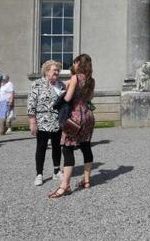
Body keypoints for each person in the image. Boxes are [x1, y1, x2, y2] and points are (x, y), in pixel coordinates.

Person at [49, 54, 96, 198]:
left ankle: (65, 185)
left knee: (68, 148)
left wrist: (67, 87)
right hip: (88, 115)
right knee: (86, 146)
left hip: (75, 117)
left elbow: (68, 98)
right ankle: (87, 180)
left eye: (75, 62)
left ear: (78, 64)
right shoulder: (91, 80)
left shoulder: (75, 78)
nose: (73, 65)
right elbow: (90, 98)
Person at [27, 60, 65, 186]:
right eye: (55, 70)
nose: (57, 72)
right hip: (42, 119)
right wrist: (32, 122)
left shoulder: (60, 85)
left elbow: (64, 103)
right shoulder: (37, 84)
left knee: (56, 146)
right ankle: (39, 174)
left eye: (58, 70)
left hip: (56, 120)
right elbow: (31, 103)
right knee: (41, 147)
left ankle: (56, 170)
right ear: (47, 71)